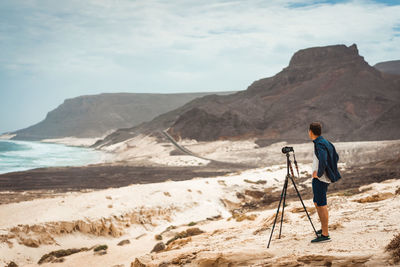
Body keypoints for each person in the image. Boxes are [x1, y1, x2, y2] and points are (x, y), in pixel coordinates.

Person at [308, 122, 341, 243]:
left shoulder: (319, 144)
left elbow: (323, 158)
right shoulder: (326, 142)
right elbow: (335, 157)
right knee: (317, 202)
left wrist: (320, 173)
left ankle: (325, 234)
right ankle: (323, 229)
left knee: (321, 204)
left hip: (320, 179)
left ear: (310, 131)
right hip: (323, 178)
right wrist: (329, 171)